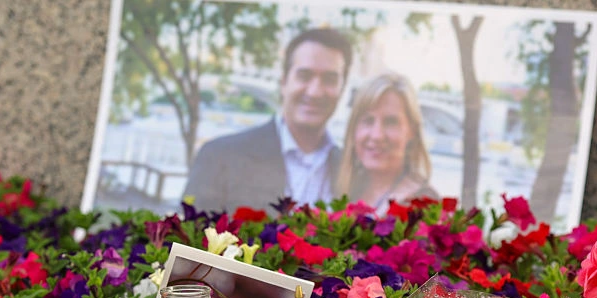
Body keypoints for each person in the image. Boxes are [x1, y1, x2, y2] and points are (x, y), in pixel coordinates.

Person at [183, 28, 352, 212]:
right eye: (304, 76)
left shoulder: (351, 171)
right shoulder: (220, 157)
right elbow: (187, 230)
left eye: (329, 79)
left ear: (342, 89)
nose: (315, 92)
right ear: (283, 82)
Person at [337, 73, 437, 212]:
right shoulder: (343, 189)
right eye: (368, 121)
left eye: (391, 122)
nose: (377, 135)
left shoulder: (424, 205)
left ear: (412, 131)